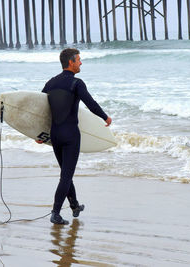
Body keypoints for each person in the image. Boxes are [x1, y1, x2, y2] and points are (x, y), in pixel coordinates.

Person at [38, 48, 112, 225]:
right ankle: (55, 213)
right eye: (79, 60)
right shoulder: (76, 83)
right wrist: (105, 117)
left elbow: (40, 110)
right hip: (70, 135)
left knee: (66, 174)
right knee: (66, 176)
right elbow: (91, 104)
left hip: (55, 135)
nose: (80, 63)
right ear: (70, 62)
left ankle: (75, 205)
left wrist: (39, 132)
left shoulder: (50, 83)